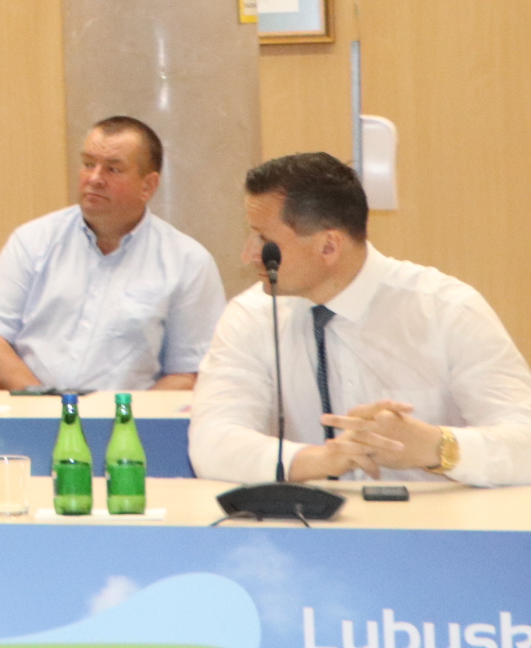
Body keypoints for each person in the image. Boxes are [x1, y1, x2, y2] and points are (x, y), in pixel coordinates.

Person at [191, 152, 531, 487]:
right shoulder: (252, 316)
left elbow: (525, 441)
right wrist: (322, 459)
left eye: (265, 240)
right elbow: (212, 441)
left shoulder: (447, 310)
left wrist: (437, 447)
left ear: (329, 246)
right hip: (305, 520)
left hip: (438, 519)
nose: (248, 254)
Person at [0, 116, 224, 393]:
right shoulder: (33, 240)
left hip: (128, 417)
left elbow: (190, 372)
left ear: (148, 186)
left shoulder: (188, 262)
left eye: (113, 169)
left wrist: (126, 414)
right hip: (33, 410)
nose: (94, 179)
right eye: (89, 164)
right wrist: (46, 403)